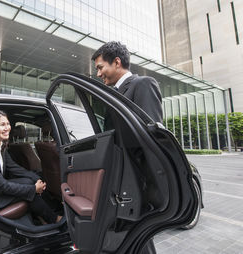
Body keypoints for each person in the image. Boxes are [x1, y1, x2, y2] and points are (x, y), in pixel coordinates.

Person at [92, 41, 160, 254]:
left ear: (117, 62)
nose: (98, 73)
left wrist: (146, 188)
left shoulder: (143, 85)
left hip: (136, 182)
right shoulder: (114, 93)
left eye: (100, 67)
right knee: (130, 239)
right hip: (120, 179)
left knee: (138, 238)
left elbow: (152, 138)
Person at [0, 110, 62, 224]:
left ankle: (45, 215)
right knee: (29, 190)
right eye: (2, 125)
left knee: (29, 180)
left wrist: (37, 179)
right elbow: (2, 186)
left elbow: (14, 168)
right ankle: (53, 219)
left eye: (8, 124)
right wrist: (33, 189)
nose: (7, 128)